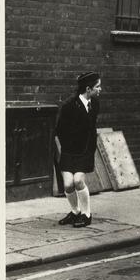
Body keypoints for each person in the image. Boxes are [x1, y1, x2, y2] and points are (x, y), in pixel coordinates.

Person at [54, 70, 102, 228]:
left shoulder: (95, 104)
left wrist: (90, 148)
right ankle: (75, 212)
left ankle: (86, 214)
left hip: (86, 151)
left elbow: (91, 129)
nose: (100, 89)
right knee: (68, 185)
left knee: (78, 181)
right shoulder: (69, 106)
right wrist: (67, 147)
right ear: (88, 89)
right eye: (98, 87)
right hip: (69, 151)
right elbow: (59, 130)